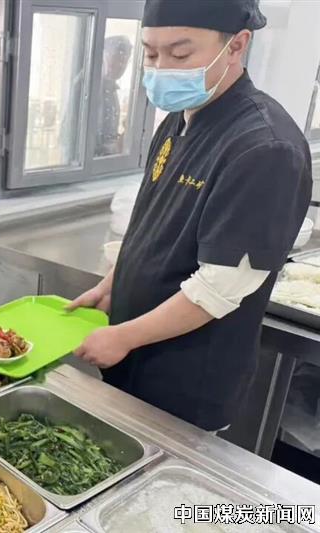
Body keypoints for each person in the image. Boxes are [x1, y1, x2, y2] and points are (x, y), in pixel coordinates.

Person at [69, 0, 312, 432]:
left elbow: (218, 288)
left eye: (180, 54)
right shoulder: (179, 121)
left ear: (236, 45)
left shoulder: (265, 148)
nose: (161, 69)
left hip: (186, 382)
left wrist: (123, 336)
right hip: (135, 362)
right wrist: (112, 283)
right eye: (150, 53)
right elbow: (150, 222)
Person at [96, 35, 134, 157]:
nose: (121, 66)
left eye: (124, 61)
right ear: (104, 56)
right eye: (117, 59)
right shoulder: (91, 87)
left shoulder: (111, 88)